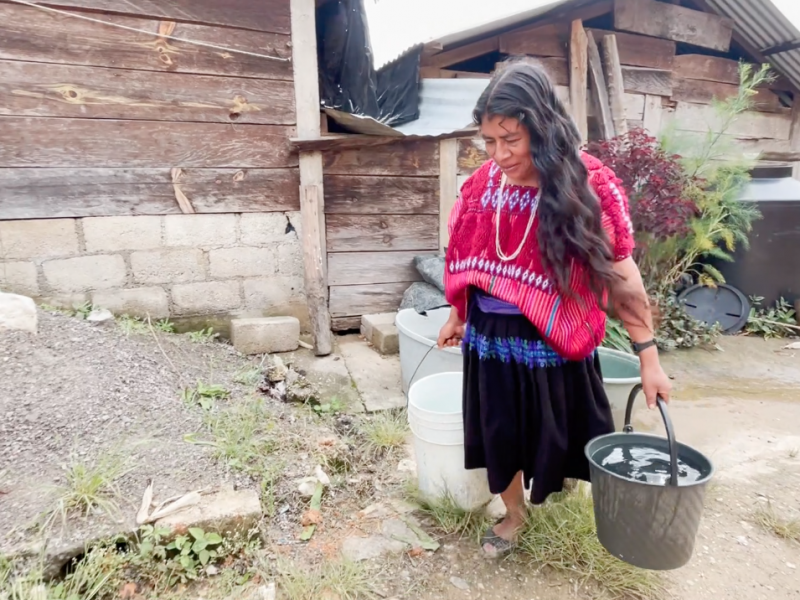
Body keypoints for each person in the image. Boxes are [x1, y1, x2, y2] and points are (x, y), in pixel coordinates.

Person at [437, 59, 672, 558]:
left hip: (553, 341)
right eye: (489, 141)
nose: (499, 154)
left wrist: (648, 356)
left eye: (511, 140)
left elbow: (622, 275)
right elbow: (463, 255)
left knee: (554, 433)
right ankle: (513, 515)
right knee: (498, 432)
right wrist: (457, 314)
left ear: (541, 130)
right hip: (489, 337)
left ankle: (556, 500)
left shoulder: (588, 185)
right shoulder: (482, 185)